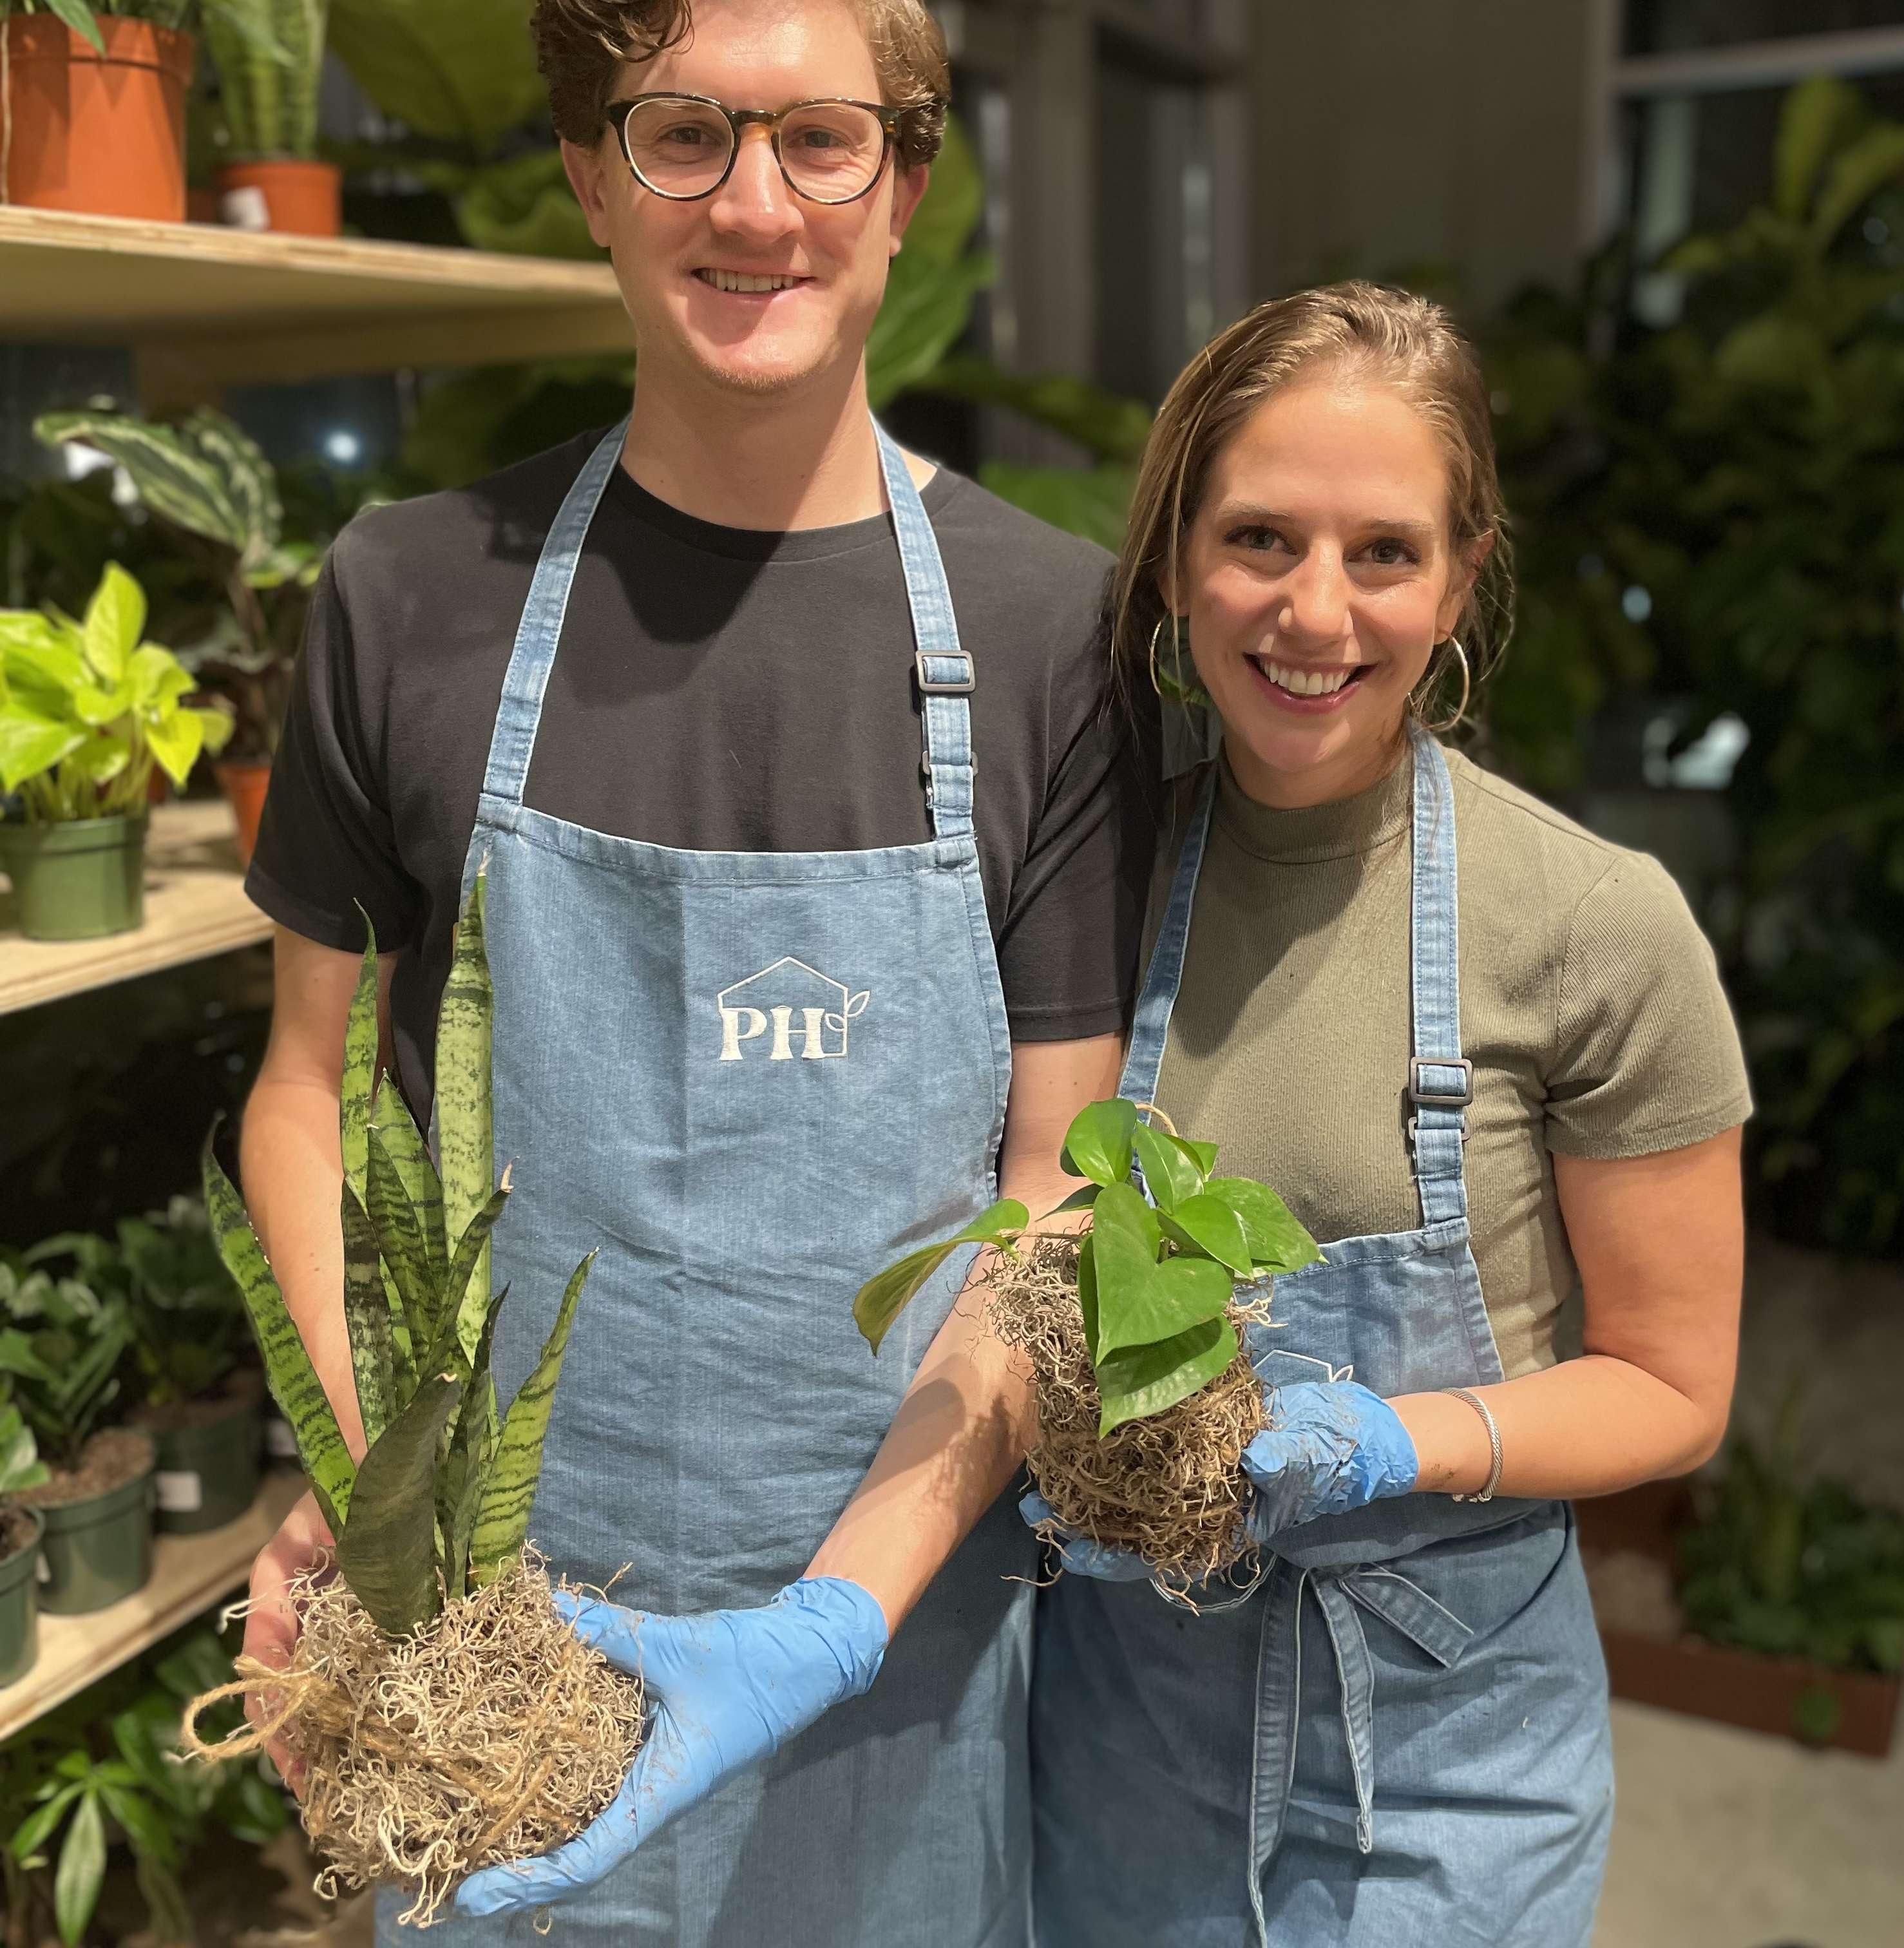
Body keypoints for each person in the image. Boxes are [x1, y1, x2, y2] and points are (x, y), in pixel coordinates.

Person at [234, 1, 1152, 1940]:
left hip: (889, 1652)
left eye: (823, 141)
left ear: (906, 183)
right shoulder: (408, 597)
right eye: (682, 135)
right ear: (588, 170)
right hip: (496, 1658)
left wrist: (831, 1625)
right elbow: (310, 1096)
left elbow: (1053, 1191)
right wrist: (369, 1484)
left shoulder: (1049, 633)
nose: (757, 203)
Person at [1027, 283, 1751, 1947]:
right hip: (1125, 1726)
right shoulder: (1080, 887)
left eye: (1383, 555)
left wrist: (1391, 1442)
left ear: (1462, 584)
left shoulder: (1587, 922)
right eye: (1259, 540)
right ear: (1172, 561)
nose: (1312, 612)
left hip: (1447, 1749)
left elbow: (1671, 1389)